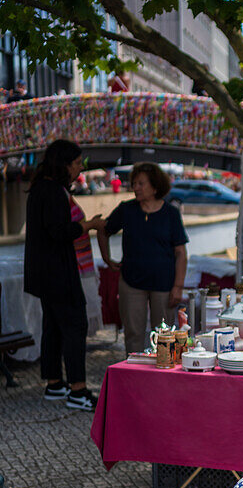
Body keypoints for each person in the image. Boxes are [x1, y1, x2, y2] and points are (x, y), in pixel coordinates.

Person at [23, 139, 103, 410]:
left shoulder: (39, 188)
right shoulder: (54, 191)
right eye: (78, 163)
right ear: (64, 164)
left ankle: (55, 383)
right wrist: (87, 224)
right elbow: (59, 232)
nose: (80, 169)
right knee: (74, 325)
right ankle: (78, 391)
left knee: (53, 326)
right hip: (58, 271)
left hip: (43, 272)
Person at [96, 162, 188, 355]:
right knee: (133, 334)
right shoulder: (127, 209)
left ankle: (163, 376)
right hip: (132, 282)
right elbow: (103, 231)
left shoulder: (170, 213)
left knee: (164, 335)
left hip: (164, 283)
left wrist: (178, 286)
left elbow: (180, 252)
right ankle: (134, 377)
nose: (135, 188)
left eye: (141, 183)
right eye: (134, 183)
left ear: (155, 187)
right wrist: (107, 259)